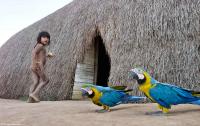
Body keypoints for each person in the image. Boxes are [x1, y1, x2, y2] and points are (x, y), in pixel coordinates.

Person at [27, 31, 53, 103]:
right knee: (45, 80)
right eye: (44, 37)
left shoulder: (39, 46)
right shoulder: (40, 46)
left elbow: (39, 55)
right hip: (38, 66)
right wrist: (36, 63)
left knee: (36, 82)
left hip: (34, 66)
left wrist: (47, 55)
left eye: (47, 38)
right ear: (39, 38)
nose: (46, 39)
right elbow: (34, 53)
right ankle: (34, 94)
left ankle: (30, 99)